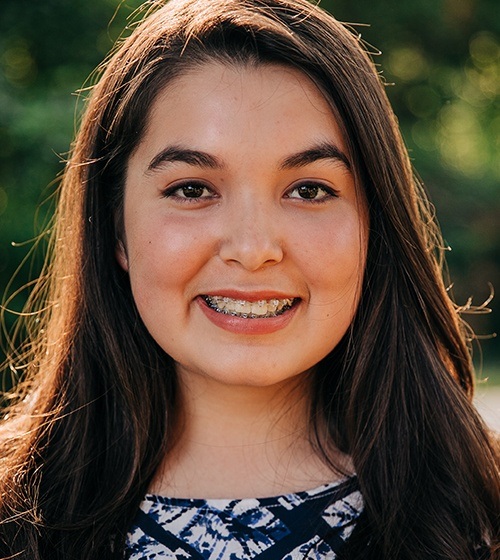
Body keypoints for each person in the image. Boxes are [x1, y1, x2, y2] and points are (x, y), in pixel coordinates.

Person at [0, 0, 498, 558]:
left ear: (375, 225)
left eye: (309, 190)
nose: (253, 249)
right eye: (192, 190)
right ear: (114, 227)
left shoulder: (482, 516)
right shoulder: (13, 520)